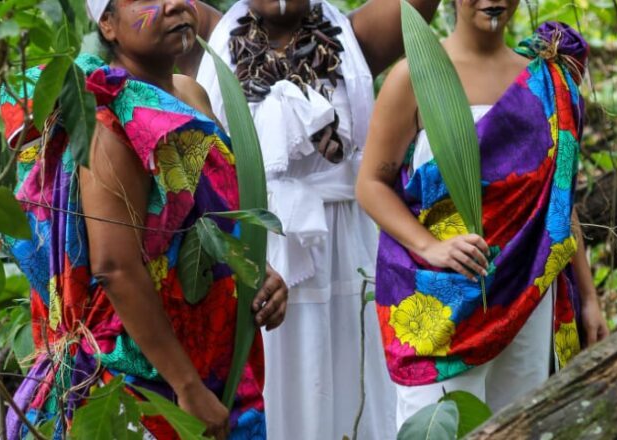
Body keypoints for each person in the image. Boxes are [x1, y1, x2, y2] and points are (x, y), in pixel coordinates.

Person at [0, 0, 288, 438]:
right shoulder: (108, 119)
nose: (174, 4)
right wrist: (186, 387)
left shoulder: (191, 93)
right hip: (151, 381)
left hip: (216, 356)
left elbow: (203, 216)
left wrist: (255, 272)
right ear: (108, 26)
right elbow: (116, 268)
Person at [184, 0, 441, 438]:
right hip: (251, 252)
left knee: (351, 380)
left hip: (346, 250)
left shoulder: (356, 34)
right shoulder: (203, 32)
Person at [355, 0, 610, 427]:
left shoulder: (547, 80)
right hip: (441, 301)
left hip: (528, 292)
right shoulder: (416, 76)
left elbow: (558, 200)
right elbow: (370, 185)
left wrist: (588, 297)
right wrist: (431, 248)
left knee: (523, 425)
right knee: (441, 427)